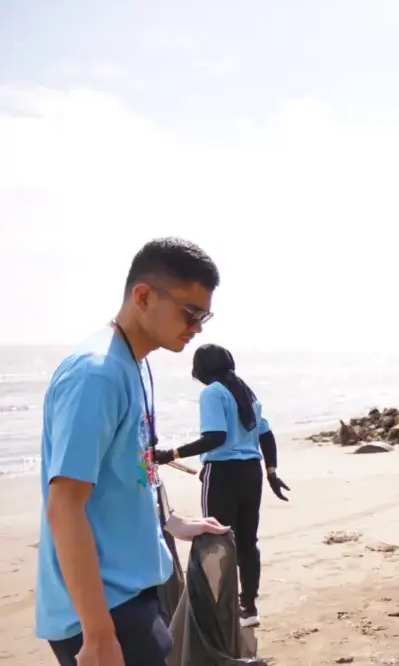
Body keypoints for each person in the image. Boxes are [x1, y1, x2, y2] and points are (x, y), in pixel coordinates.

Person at [36, 237, 230, 666]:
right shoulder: (96, 375)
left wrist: (172, 522)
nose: (198, 327)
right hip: (102, 608)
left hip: (134, 590)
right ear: (143, 296)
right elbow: (64, 505)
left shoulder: (134, 363)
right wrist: (99, 634)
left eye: (205, 315)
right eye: (191, 312)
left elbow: (132, 468)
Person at [152, 344, 289, 628]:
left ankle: (217, 607)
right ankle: (248, 608)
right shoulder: (246, 392)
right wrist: (271, 472)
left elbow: (215, 437)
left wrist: (172, 453)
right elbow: (267, 435)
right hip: (251, 474)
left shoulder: (212, 392)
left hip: (223, 474)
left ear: (201, 369)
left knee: (216, 538)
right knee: (247, 543)